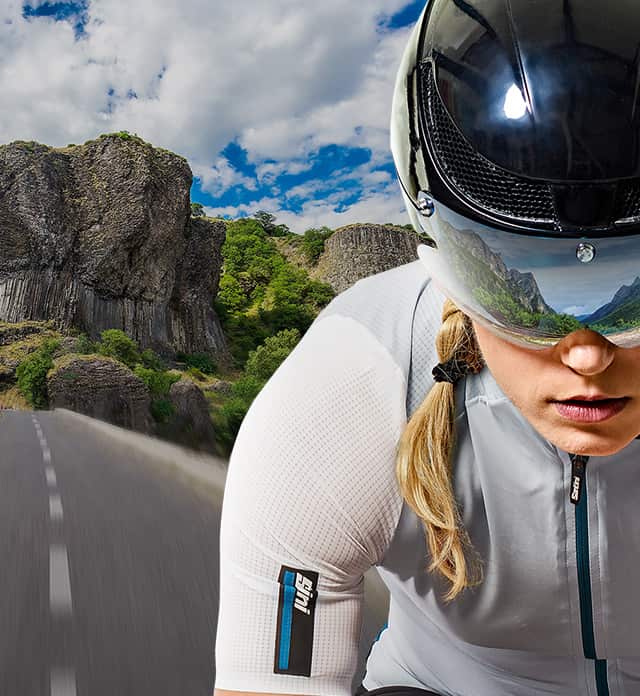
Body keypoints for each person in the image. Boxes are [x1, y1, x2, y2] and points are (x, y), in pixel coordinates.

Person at [214, 0, 640, 694]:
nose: (587, 357)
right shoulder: (346, 391)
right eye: (522, 294)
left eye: (632, 293)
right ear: (443, 263)